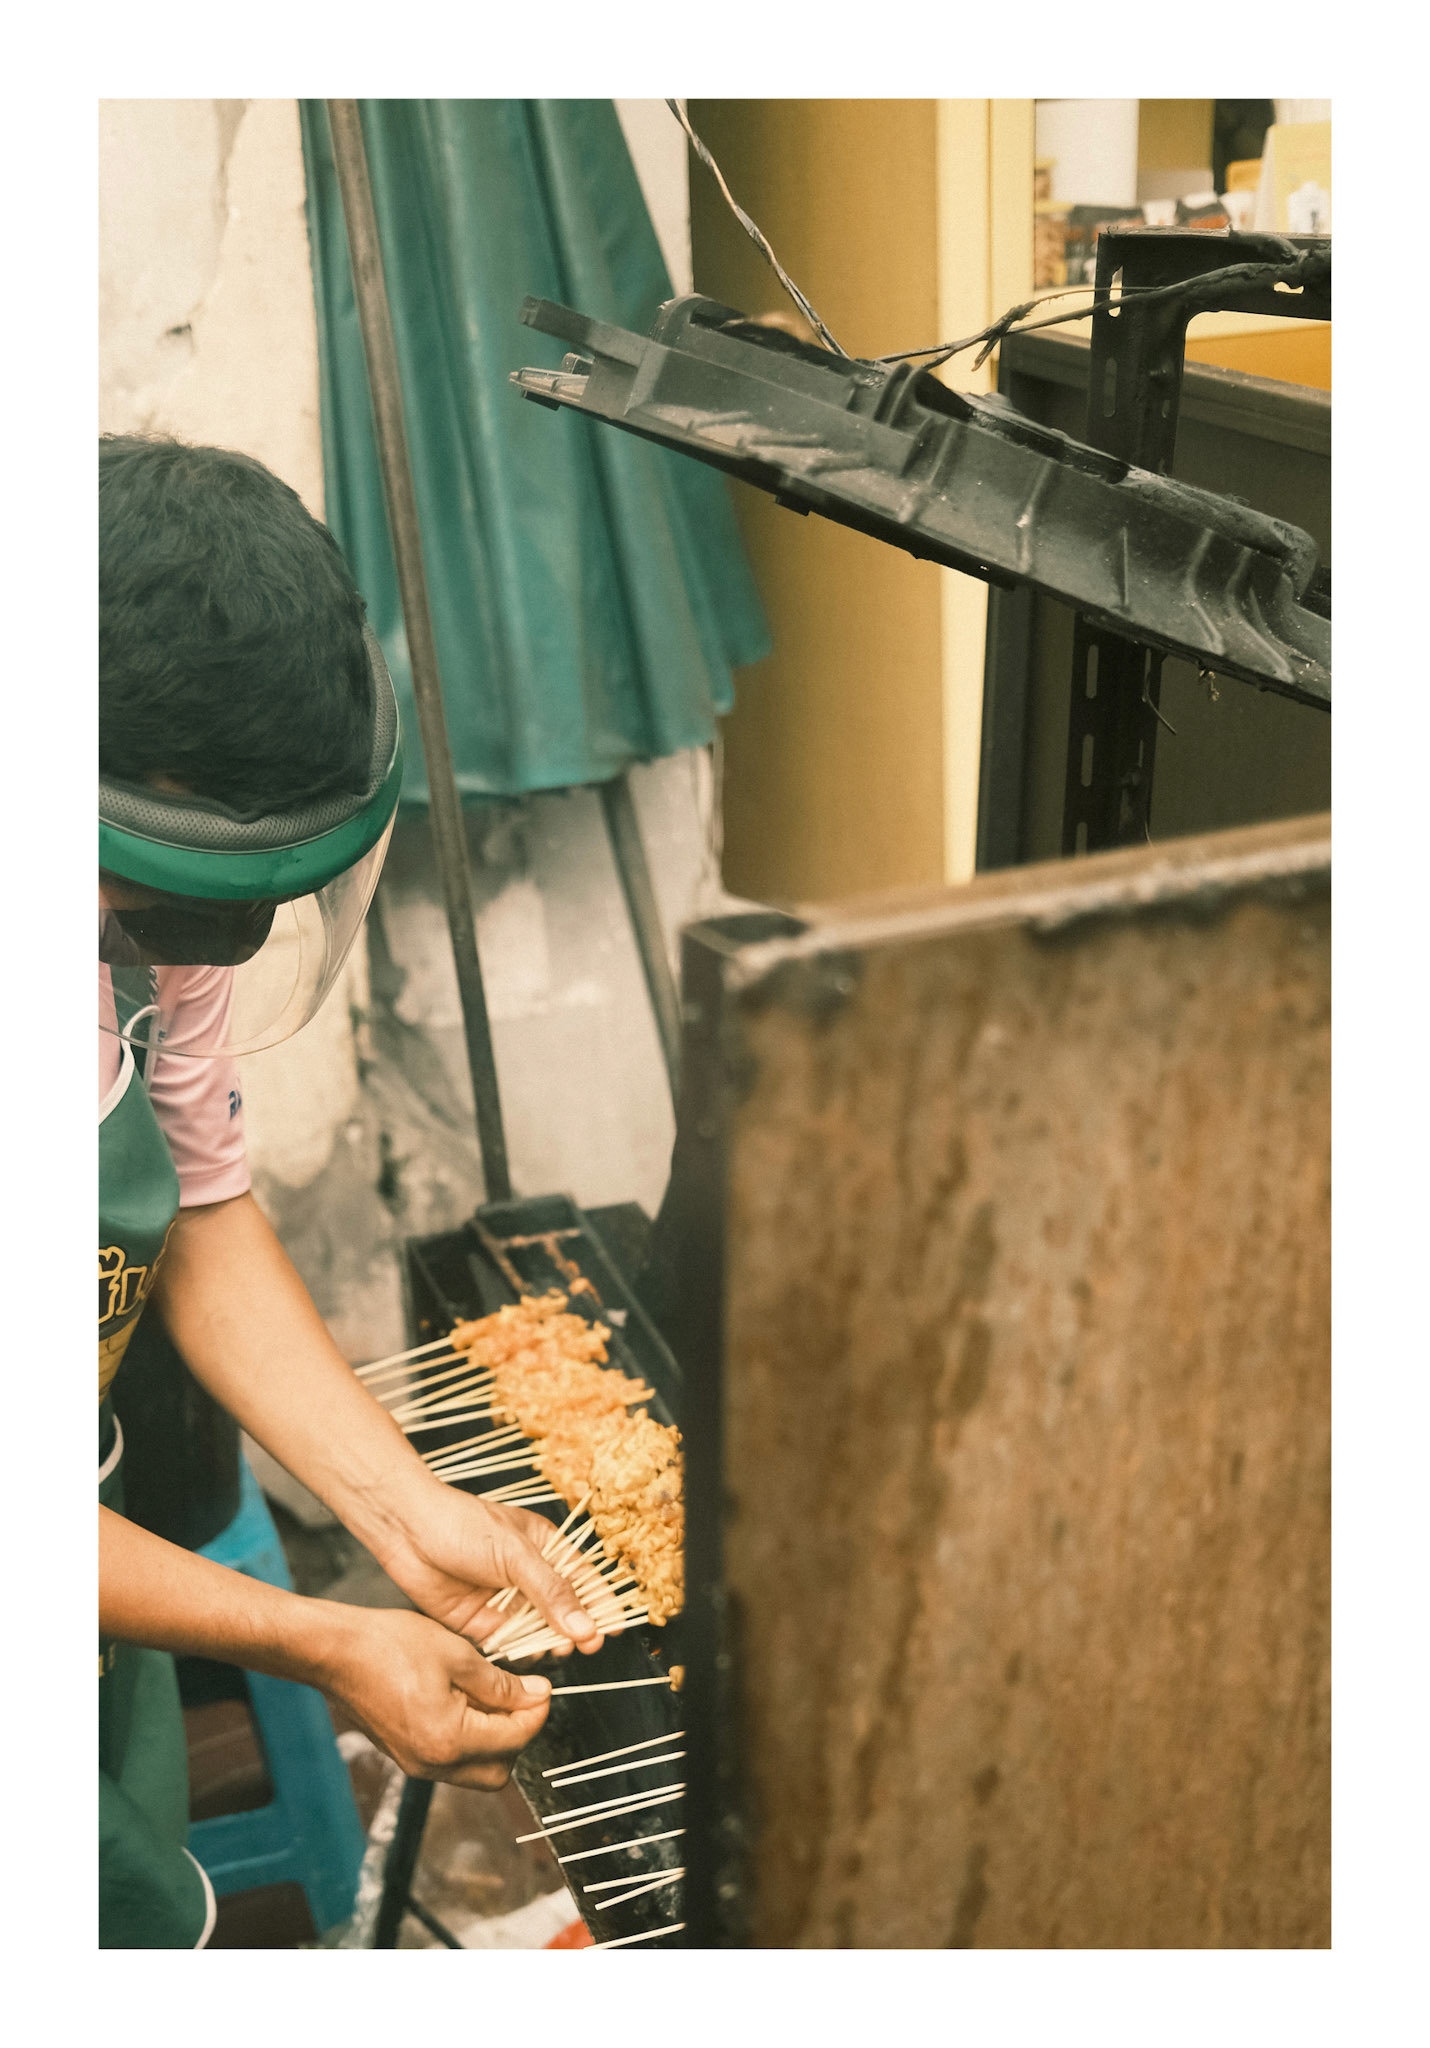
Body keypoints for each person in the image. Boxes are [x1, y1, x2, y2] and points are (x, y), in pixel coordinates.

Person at [98, 435, 602, 1948]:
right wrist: (321, 1640)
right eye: (175, 904)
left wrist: (404, 1508)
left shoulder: (164, 912)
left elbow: (199, 1200)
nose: (208, 951)